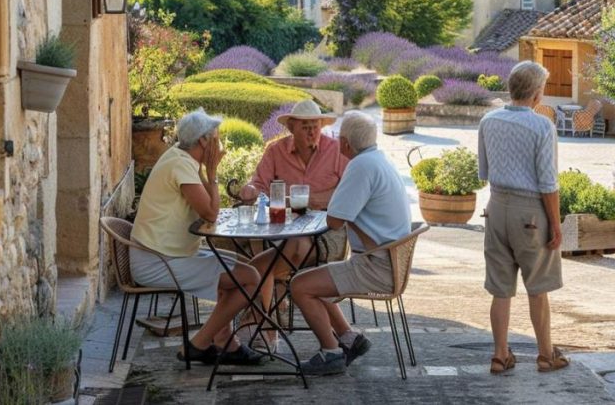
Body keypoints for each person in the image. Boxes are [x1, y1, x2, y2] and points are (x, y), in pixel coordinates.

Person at [130, 108, 276, 366]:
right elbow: (210, 213)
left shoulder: (180, 159)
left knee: (241, 270)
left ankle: (226, 342)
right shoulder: (181, 164)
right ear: (203, 142)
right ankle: (199, 343)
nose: (219, 145)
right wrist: (213, 173)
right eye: (216, 138)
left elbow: (208, 211)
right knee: (250, 279)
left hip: (169, 253)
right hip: (158, 261)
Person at [289, 111, 412, 376]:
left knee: (299, 285)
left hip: (374, 266)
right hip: (385, 261)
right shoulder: (378, 160)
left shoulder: (360, 166)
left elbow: (334, 220)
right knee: (315, 279)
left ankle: (331, 352)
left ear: (344, 143)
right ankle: (348, 338)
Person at [478, 61, 568, 374]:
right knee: (537, 285)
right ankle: (546, 354)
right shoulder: (542, 126)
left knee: (500, 288)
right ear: (537, 94)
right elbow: (548, 182)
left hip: (496, 207)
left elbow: (484, 171)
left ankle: (500, 355)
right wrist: (556, 224)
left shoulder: (488, 120)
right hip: (530, 211)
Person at [239, 99, 350, 267]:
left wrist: (313, 200)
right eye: (305, 128)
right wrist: (250, 191)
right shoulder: (276, 151)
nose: (312, 132)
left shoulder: (336, 150)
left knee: (294, 249)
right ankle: (271, 282)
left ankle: (260, 278)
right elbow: (259, 186)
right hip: (284, 225)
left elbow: (350, 191)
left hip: (327, 227)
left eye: (315, 127)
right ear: (291, 128)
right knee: (281, 245)